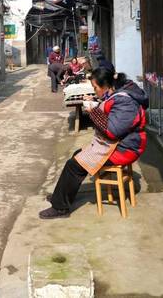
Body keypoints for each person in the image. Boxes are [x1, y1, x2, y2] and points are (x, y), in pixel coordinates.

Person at [39, 68, 149, 219]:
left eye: (95, 88)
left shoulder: (126, 102)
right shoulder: (118, 94)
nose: (95, 91)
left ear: (106, 85)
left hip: (125, 149)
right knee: (77, 156)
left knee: (74, 165)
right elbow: (113, 114)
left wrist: (93, 111)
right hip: (119, 144)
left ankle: (60, 208)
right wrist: (97, 104)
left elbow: (112, 131)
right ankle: (61, 196)